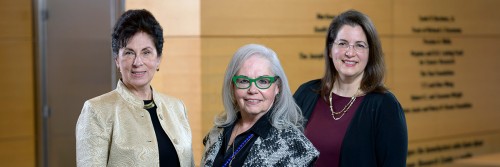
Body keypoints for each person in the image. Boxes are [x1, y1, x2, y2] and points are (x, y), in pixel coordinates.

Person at [76, 9, 194, 167]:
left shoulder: (177, 108)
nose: (138, 62)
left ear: (158, 59)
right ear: (117, 60)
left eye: (146, 52)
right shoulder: (97, 111)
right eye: (129, 53)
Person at [293, 9, 408, 167]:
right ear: (330, 50)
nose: (350, 52)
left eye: (359, 45)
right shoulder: (306, 93)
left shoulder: (385, 106)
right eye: (342, 43)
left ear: (370, 54)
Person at [201, 44, 319, 166]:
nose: (252, 90)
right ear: (233, 86)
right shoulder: (217, 132)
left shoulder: (294, 145)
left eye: (263, 81)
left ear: (277, 87)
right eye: (244, 81)